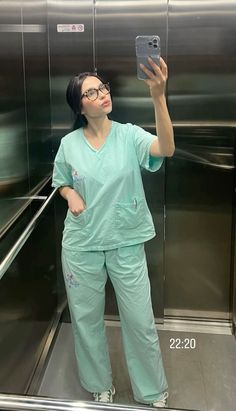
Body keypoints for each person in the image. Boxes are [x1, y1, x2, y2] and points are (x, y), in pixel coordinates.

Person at [52, 57, 175, 408]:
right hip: (82, 244)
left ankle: (152, 391)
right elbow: (60, 180)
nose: (102, 94)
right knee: (87, 322)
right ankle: (99, 386)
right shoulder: (70, 144)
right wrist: (69, 192)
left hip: (125, 241)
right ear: (79, 105)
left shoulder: (128, 134)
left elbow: (165, 149)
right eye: (91, 92)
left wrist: (158, 96)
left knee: (139, 322)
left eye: (102, 87)